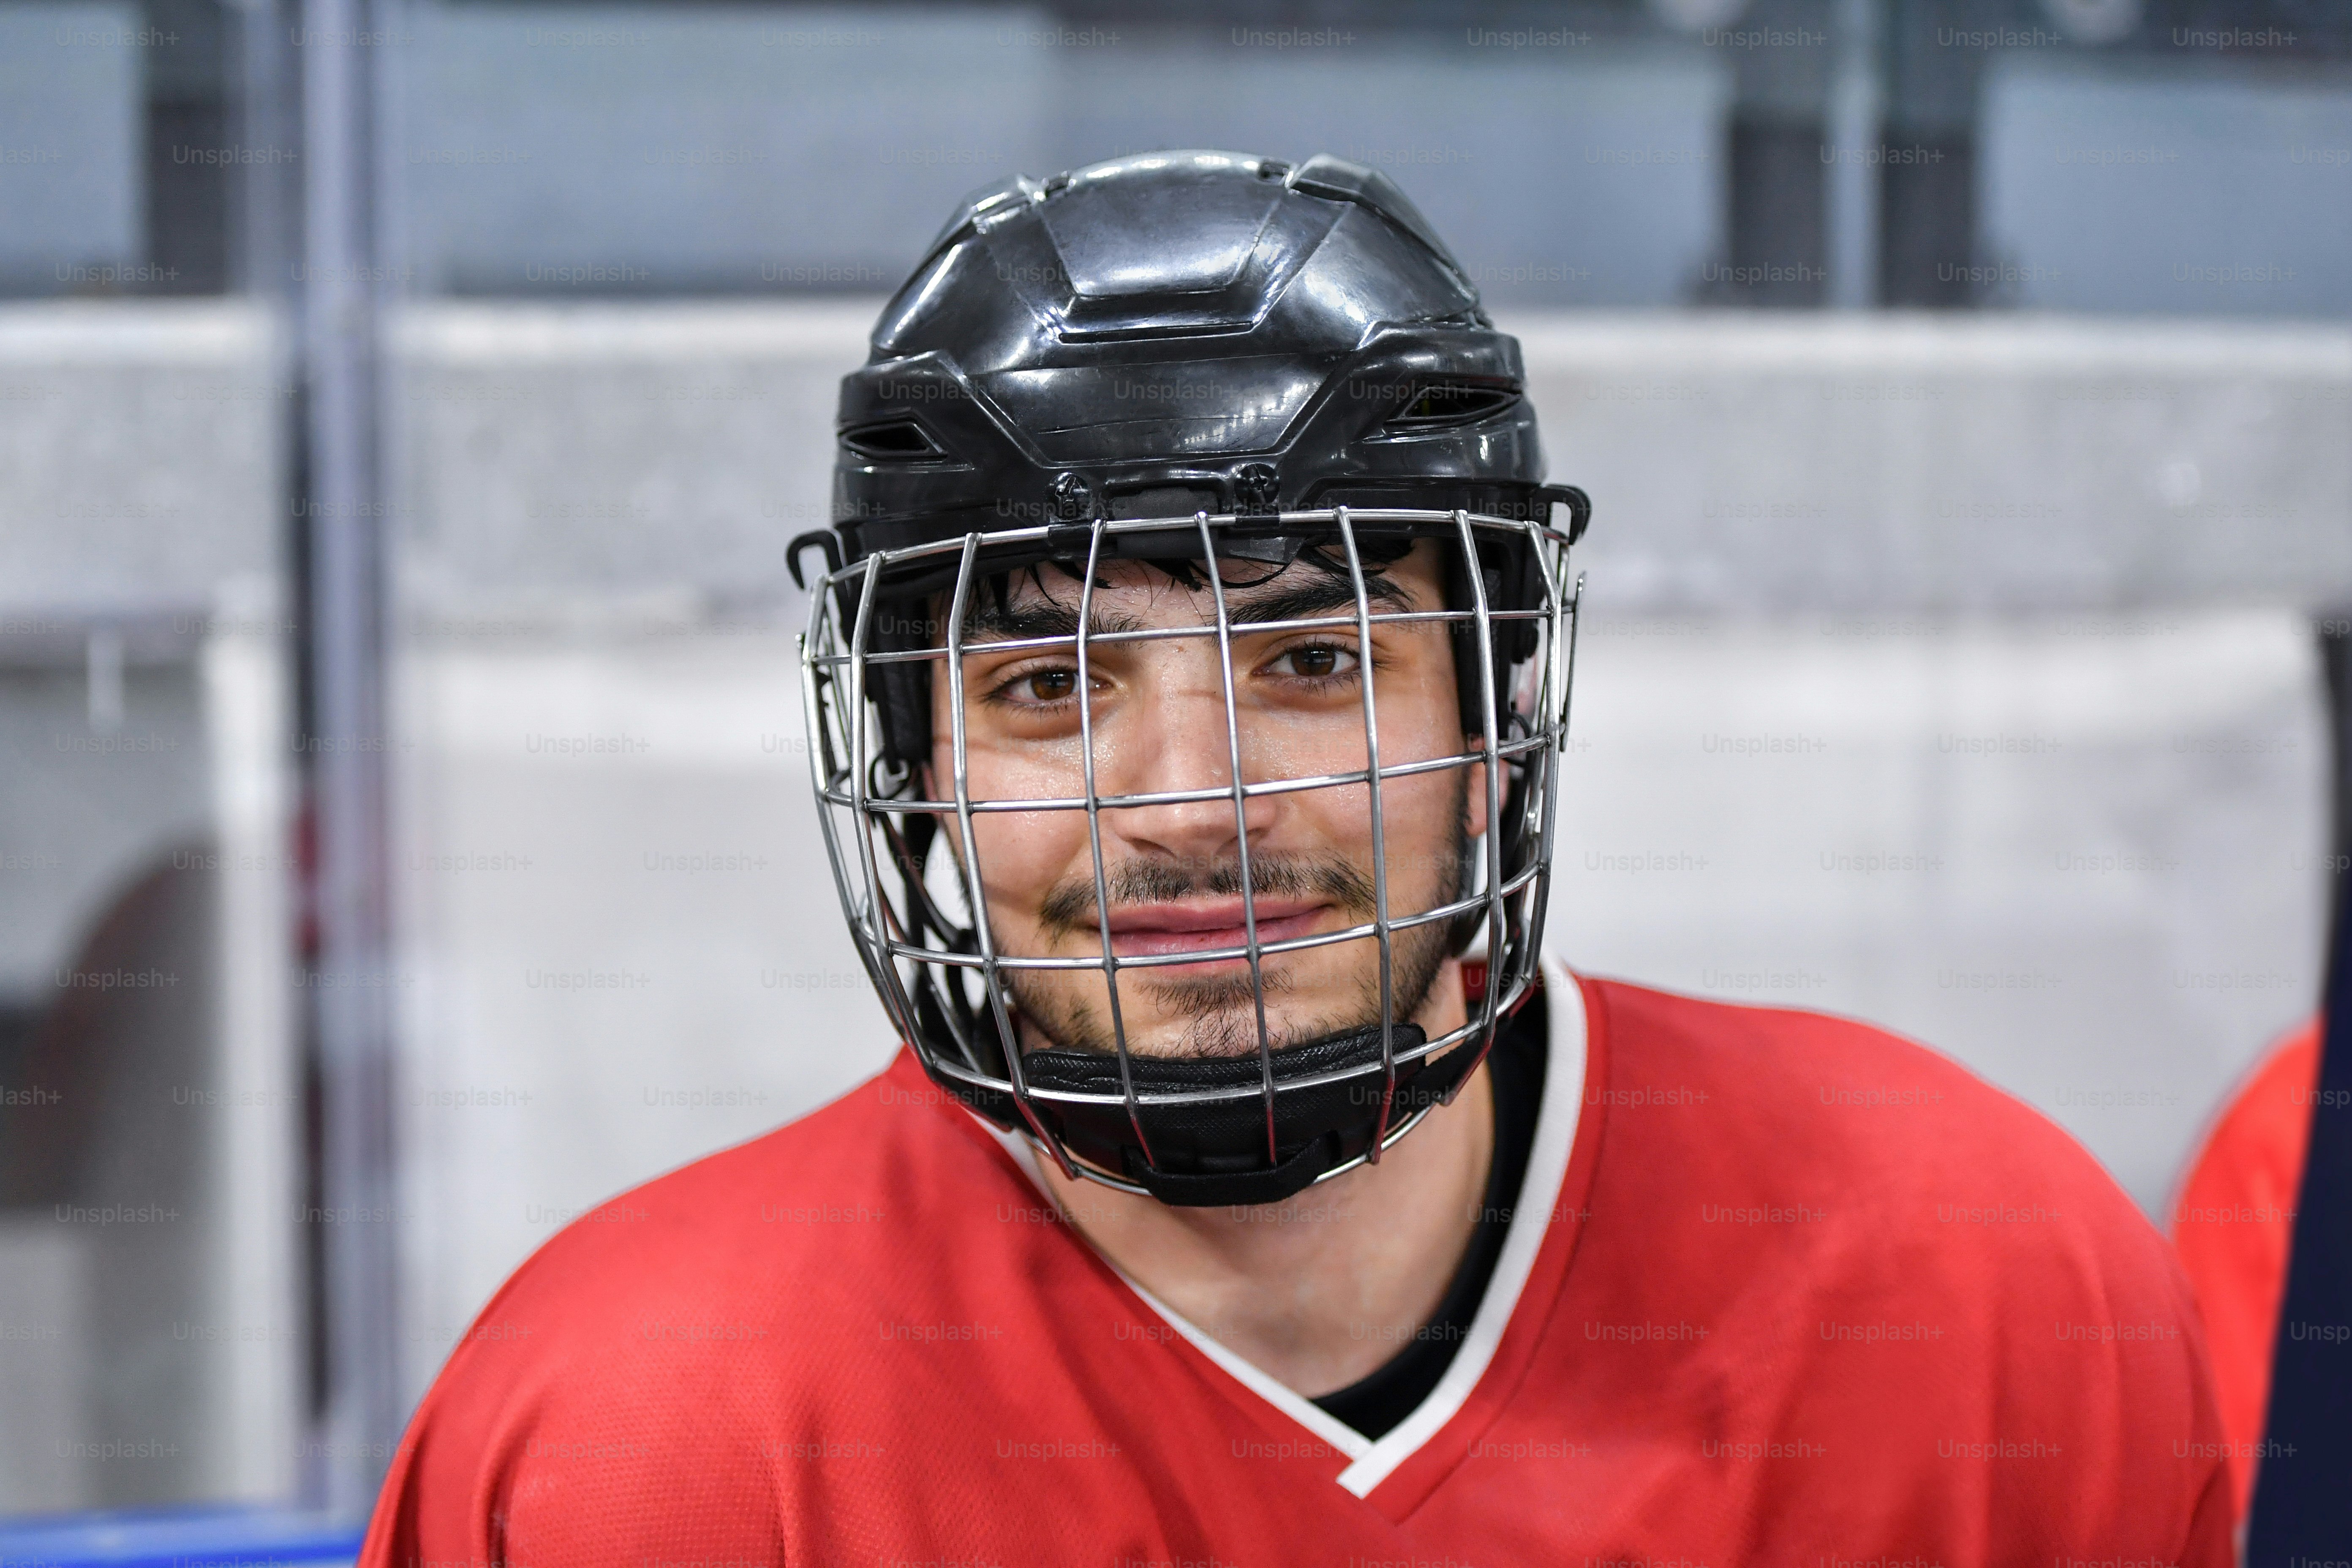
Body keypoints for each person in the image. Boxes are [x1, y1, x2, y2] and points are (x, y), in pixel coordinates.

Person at [361, 150, 2230, 1565]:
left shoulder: (1984, 1295)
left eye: (1318, 660)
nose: (1189, 803)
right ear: (914, 764)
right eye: (1043, 682)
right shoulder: (639, 1446)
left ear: (1494, 723)